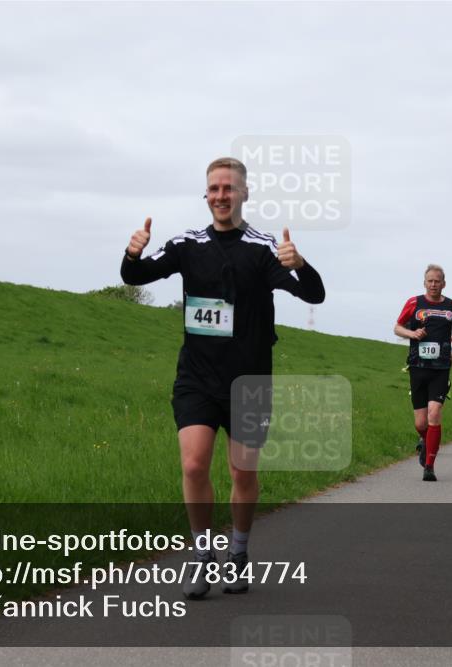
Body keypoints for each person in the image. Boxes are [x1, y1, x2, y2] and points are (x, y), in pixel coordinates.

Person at [120, 157, 325, 599]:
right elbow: (134, 275)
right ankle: (202, 556)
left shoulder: (263, 247)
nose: (220, 196)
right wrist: (133, 251)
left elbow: (314, 294)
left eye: (229, 189)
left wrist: (301, 263)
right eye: (213, 189)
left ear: (245, 194)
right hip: (197, 376)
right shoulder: (187, 244)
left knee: (242, 471)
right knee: (194, 463)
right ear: (206, 195)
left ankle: (238, 552)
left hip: (248, 381)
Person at [395, 264, 452, 482]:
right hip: (418, 367)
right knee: (420, 423)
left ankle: (429, 466)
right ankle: (425, 441)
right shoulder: (413, 303)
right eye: (430, 281)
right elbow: (397, 327)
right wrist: (412, 332)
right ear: (424, 282)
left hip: (441, 368)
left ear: (443, 283)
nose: (434, 284)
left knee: (434, 413)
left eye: (437, 281)